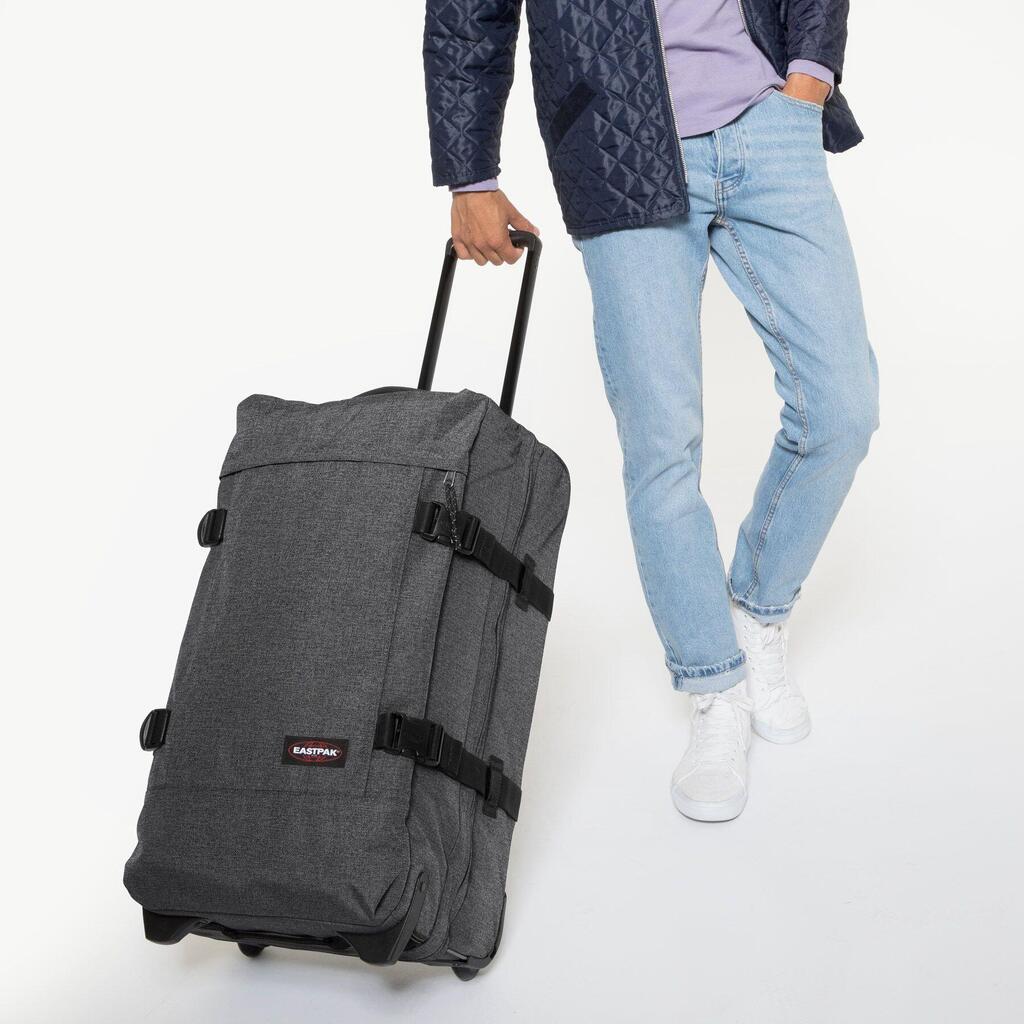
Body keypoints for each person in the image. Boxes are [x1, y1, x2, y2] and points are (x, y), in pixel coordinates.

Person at [424, 0, 878, 821]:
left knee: (843, 408)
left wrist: (808, 79)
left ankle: (757, 613)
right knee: (663, 444)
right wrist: (471, 176)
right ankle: (715, 683)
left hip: (770, 125)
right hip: (616, 140)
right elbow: (468, 15)